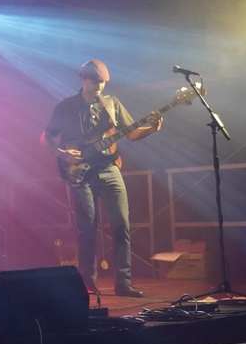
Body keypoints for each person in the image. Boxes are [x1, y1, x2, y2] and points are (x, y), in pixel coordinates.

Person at [41, 59, 162, 298]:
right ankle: (87, 282)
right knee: (87, 229)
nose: (99, 87)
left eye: (103, 83)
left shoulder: (112, 103)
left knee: (122, 226)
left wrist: (152, 129)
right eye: (95, 82)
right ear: (82, 79)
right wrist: (62, 153)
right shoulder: (66, 106)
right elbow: (46, 137)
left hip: (109, 168)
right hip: (80, 173)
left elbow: (131, 133)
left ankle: (123, 283)